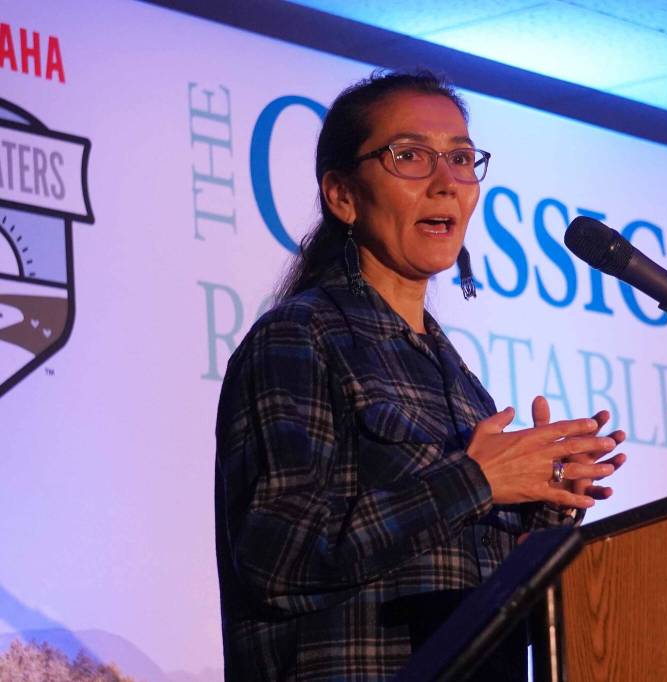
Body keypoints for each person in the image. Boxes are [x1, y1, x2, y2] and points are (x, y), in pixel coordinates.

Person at [214, 70, 626, 681]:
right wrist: (476, 480)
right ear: (342, 195)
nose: (445, 182)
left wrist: (546, 509)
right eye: (409, 156)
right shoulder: (300, 337)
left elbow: (459, 582)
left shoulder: (459, 381)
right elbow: (276, 558)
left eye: (460, 158)